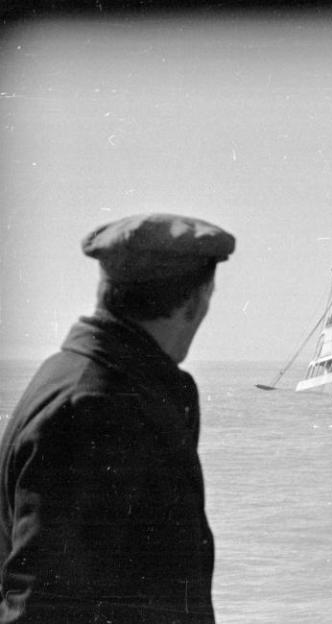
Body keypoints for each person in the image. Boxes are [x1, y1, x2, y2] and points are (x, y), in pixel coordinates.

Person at [0, 213, 235, 623]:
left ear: (106, 290)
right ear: (195, 302)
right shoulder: (93, 409)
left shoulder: (102, 384)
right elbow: (38, 606)